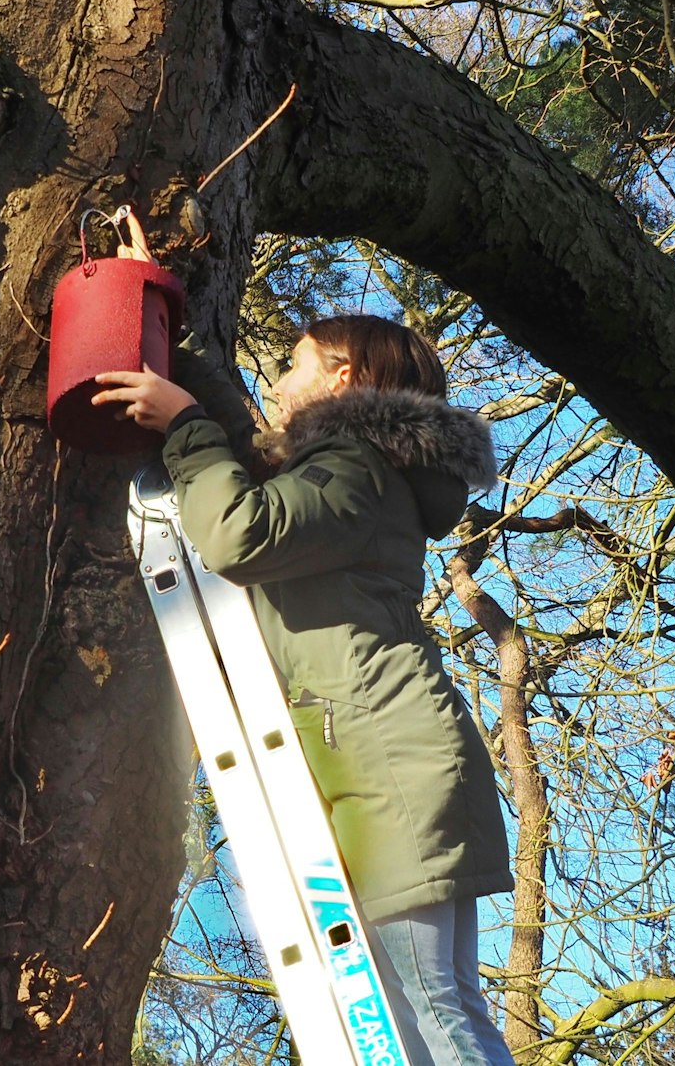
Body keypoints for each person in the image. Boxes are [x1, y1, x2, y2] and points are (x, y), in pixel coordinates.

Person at [93, 315, 518, 1066]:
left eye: (293, 366)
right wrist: (170, 342)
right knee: (430, 1008)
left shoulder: (355, 468)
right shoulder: (352, 468)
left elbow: (239, 530)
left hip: (391, 764)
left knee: (434, 1008)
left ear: (343, 374)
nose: (279, 385)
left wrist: (185, 425)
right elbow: (257, 466)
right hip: (399, 753)